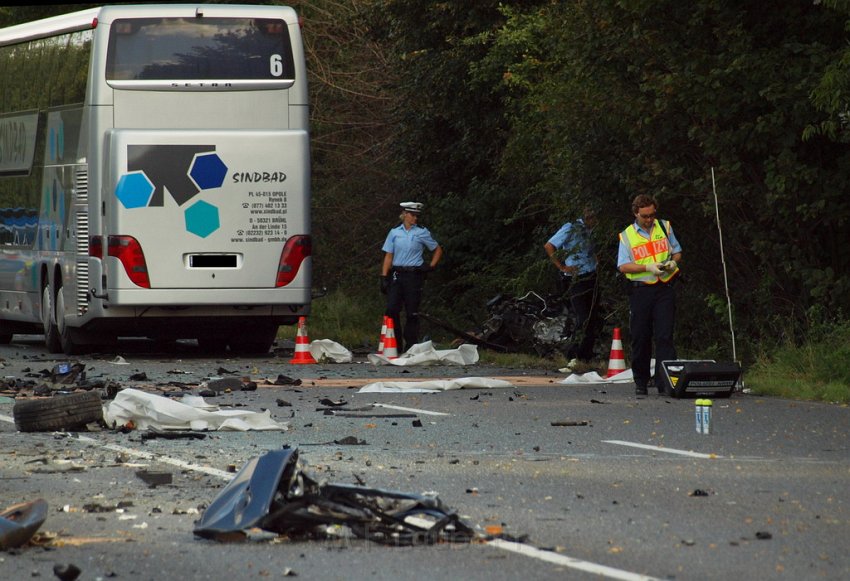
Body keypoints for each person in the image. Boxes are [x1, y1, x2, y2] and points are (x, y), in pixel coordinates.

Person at [617, 194, 682, 396]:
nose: (649, 219)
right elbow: (623, 265)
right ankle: (641, 381)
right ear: (636, 213)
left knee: (664, 335)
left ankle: (665, 382)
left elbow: (677, 251)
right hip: (641, 290)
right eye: (645, 216)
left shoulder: (664, 227)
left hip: (664, 287)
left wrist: (673, 262)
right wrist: (647, 267)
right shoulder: (627, 235)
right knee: (641, 336)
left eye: (652, 215)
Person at [380, 201, 443, 353]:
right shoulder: (395, 233)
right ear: (405, 215)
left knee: (411, 312)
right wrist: (383, 276)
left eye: (417, 216)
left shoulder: (422, 232)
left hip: (414, 276)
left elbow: (437, 249)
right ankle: (395, 344)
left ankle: (411, 346)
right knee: (391, 309)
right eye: (413, 215)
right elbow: (389, 255)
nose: (415, 218)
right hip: (397, 274)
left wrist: (431, 266)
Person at [544, 206, 600, 365]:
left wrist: (596, 261)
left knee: (592, 317)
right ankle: (572, 353)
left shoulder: (592, 231)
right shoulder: (571, 228)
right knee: (582, 317)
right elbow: (549, 246)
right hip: (577, 278)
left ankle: (586, 355)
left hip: (591, 275)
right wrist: (562, 267)